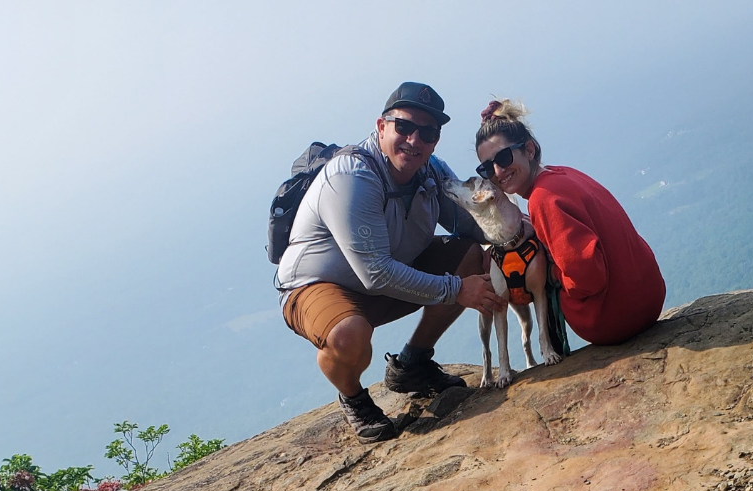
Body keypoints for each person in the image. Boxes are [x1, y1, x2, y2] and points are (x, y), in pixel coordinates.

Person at [276, 82, 504, 443]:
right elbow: (376, 273)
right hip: (318, 287)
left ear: (435, 140)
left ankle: (412, 364)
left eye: (427, 133)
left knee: (470, 256)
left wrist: (520, 231)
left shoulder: (430, 172)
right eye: (404, 127)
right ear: (382, 127)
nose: (414, 140)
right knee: (348, 335)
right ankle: (353, 397)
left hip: (385, 278)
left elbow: (469, 223)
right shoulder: (351, 177)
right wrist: (458, 289)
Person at [474, 100, 666, 347]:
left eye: (503, 157)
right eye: (487, 168)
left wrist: (545, 274)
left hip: (614, 319)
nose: (498, 172)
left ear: (529, 150)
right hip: (651, 296)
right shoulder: (562, 174)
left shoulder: (542, 199)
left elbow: (586, 277)